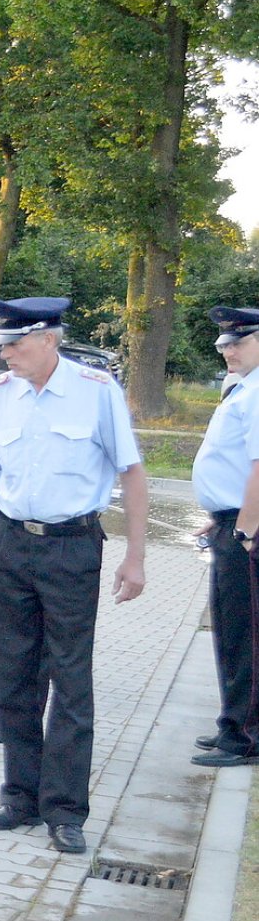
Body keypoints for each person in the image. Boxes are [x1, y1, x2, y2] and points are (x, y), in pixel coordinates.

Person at [0, 297, 147, 856]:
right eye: (3, 345)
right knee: (13, 675)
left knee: (70, 678)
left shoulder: (96, 391)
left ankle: (64, 808)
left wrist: (136, 556)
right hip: (8, 544)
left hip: (71, 547)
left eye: (14, 344)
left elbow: (133, 475)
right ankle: (19, 795)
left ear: (49, 339)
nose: (5, 353)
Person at [189, 306, 259, 768]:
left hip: (247, 530)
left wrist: (246, 529)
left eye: (238, 342)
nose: (228, 350)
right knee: (231, 631)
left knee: (246, 633)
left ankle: (245, 737)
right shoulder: (243, 389)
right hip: (232, 521)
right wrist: (221, 517)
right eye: (224, 344)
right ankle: (231, 723)